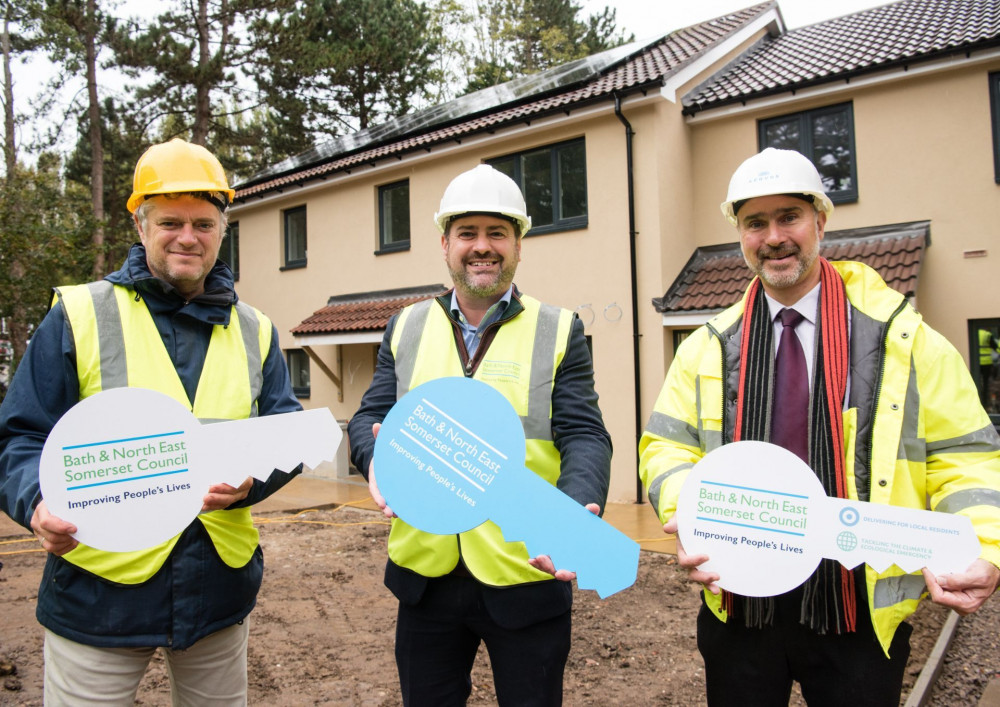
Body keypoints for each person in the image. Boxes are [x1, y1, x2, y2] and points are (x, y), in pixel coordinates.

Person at [639, 147, 1000, 706]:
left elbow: (966, 455)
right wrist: (694, 513)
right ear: (739, 233)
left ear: (820, 221)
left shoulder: (902, 339)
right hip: (740, 603)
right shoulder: (707, 345)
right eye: (755, 223)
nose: (774, 236)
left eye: (789, 217)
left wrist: (984, 546)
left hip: (856, 607)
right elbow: (667, 445)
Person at [0, 138, 303, 705]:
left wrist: (251, 482)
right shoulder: (79, 315)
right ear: (140, 227)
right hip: (99, 594)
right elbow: (20, 435)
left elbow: (280, 430)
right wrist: (36, 499)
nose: (187, 236)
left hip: (216, 589)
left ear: (221, 231)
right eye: (170, 221)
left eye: (203, 223)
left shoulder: (256, 329)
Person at [348, 164, 612, 707]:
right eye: (467, 233)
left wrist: (574, 507)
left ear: (519, 244)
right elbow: (367, 418)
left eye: (497, 233)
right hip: (426, 575)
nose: (482, 247)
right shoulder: (406, 326)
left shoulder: (559, 328)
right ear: (445, 244)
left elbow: (584, 433)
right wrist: (376, 459)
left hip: (524, 568)